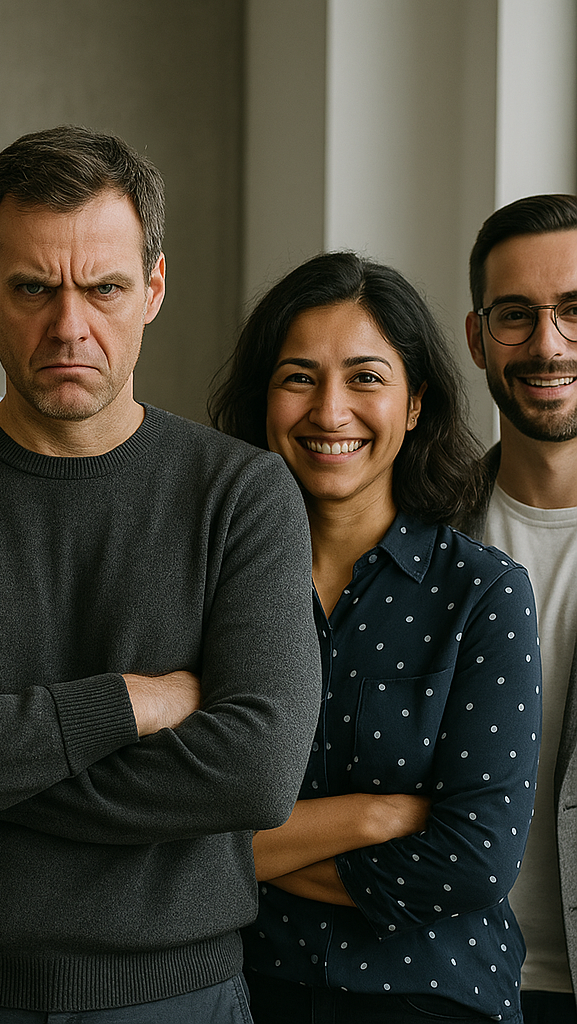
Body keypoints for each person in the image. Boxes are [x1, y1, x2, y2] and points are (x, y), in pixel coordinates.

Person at [0, 124, 322, 1022]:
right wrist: (126, 703)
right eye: (34, 288)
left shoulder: (243, 494)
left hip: (175, 999)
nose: (69, 326)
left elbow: (256, 775)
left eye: (105, 288)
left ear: (154, 288)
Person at [210, 251, 541, 1023]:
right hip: (242, 992)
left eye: (365, 377)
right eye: (299, 376)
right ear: (265, 397)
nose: (330, 411)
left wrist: (243, 854)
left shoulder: (483, 592)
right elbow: (158, 823)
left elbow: (473, 860)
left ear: (416, 402)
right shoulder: (206, 585)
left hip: (434, 996)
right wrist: (373, 816)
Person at [456, 194, 577, 1024]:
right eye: (515, 315)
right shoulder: (415, 535)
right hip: (449, 980)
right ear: (475, 339)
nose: (547, 344)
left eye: (575, 312)